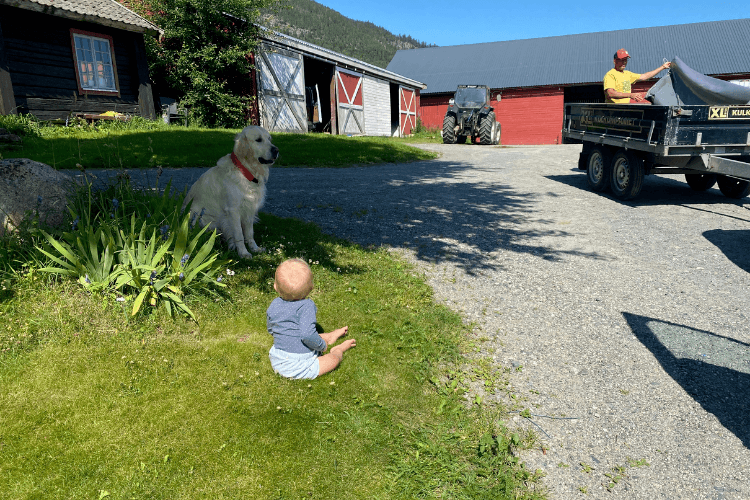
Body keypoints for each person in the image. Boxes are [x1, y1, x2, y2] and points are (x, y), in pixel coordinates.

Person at [267, 258, 356, 379]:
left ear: (275, 286)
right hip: (298, 364)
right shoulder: (306, 306)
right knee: (333, 360)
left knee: (301, 334)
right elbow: (307, 335)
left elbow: (271, 328)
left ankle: (330, 337)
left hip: (278, 357)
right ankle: (338, 349)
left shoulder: (275, 304)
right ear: (311, 288)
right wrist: (322, 346)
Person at [604, 48, 671, 104]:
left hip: (626, 107)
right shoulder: (610, 75)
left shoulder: (628, 74)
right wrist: (631, 95)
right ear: (615, 61)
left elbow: (645, 76)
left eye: (626, 60)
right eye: (622, 60)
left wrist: (663, 67)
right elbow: (611, 93)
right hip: (614, 109)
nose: (624, 62)